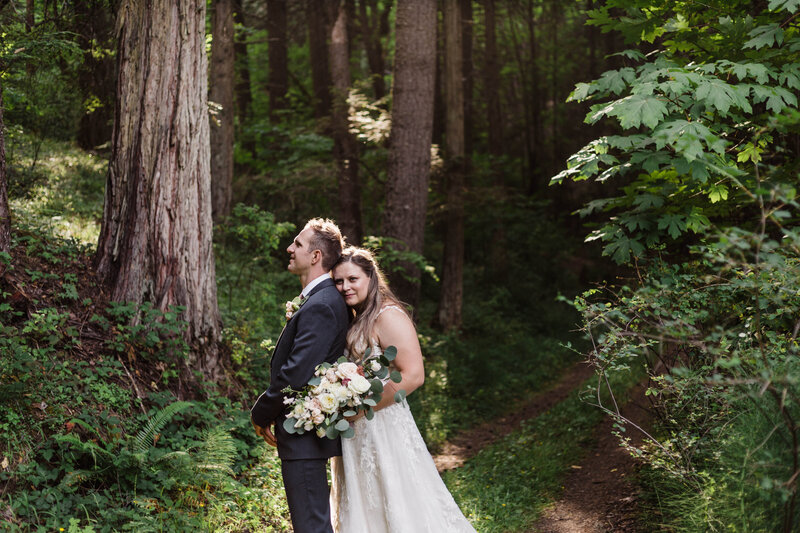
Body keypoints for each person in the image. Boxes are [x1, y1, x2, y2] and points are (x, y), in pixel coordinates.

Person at [329, 247, 476, 533]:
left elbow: (413, 376)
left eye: (352, 279)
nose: (345, 287)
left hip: (382, 425)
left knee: (398, 500)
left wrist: (360, 410)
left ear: (371, 277)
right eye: (338, 281)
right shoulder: (358, 316)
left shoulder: (388, 314)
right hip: (354, 433)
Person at [250, 218, 349, 533]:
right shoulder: (320, 299)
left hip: (304, 437)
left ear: (316, 256)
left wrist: (261, 412)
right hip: (304, 435)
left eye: (298, 244)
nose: (289, 249)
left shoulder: (322, 304)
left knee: (312, 527)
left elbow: (295, 372)